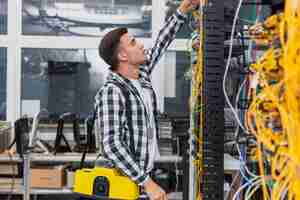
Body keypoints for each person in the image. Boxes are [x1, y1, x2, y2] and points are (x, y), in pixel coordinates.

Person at [95, 0, 200, 199]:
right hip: (122, 184)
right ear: (123, 55)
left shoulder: (140, 76)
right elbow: (111, 145)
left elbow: (161, 43)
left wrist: (182, 11)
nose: (141, 45)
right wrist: (147, 183)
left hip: (139, 179)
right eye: (133, 42)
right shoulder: (112, 91)